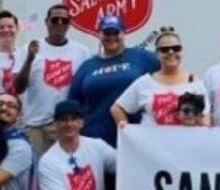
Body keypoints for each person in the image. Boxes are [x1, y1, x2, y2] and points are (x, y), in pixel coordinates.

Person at [67, 15, 159, 146]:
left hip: (136, 140)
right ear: (100, 35)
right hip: (94, 141)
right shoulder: (87, 66)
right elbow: (73, 102)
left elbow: (168, 76)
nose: (111, 37)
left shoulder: (142, 57)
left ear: (123, 33)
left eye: (116, 32)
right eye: (107, 33)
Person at [13, 4, 91, 157]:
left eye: (64, 20)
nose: (59, 24)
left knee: (66, 171)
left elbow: (85, 89)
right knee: (38, 174)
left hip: (67, 124)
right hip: (36, 125)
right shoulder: (29, 48)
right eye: (55, 20)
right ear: (47, 22)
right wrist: (29, 59)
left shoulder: (82, 51)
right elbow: (18, 88)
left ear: (70, 23)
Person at [111, 26, 209, 128]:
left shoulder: (195, 84)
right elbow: (117, 108)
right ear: (157, 54)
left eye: (176, 48)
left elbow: (205, 117)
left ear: (181, 51)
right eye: (164, 49)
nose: (171, 52)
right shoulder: (144, 82)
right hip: (152, 143)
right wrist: (126, 129)